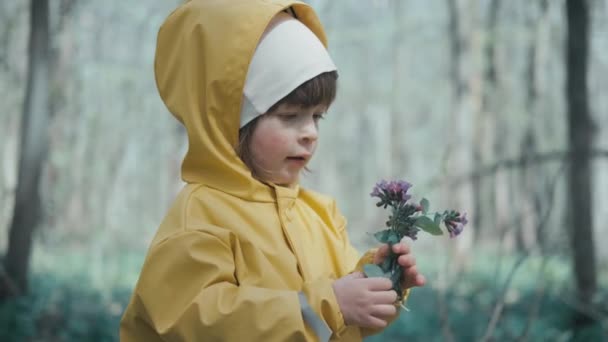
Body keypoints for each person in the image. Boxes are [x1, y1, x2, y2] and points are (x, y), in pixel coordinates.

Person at [120, 1, 425, 341]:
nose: (310, 131)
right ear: (232, 124)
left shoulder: (318, 215)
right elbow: (195, 322)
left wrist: (380, 282)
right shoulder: (202, 215)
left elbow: (342, 322)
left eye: (317, 116)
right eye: (290, 115)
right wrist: (329, 304)